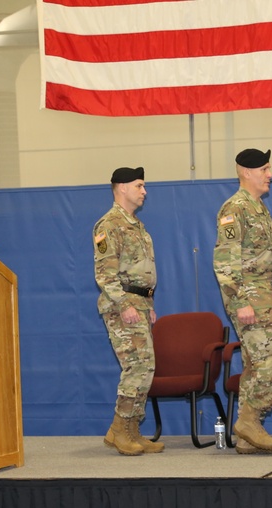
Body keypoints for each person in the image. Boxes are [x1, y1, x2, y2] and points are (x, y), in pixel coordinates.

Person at [213, 148, 272, 454]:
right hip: (247, 297)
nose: (270, 175)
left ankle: (246, 438)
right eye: (265, 170)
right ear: (246, 172)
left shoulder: (258, 208)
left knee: (255, 364)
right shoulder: (235, 208)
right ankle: (249, 419)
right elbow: (224, 262)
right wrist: (240, 300)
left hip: (262, 296)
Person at [93, 166, 164, 456]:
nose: (144, 191)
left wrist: (147, 305)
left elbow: (141, 273)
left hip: (139, 304)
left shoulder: (136, 225)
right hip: (121, 306)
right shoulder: (109, 224)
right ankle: (120, 429)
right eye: (139, 185)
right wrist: (124, 305)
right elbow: (105, 274)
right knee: (136, 367)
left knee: (145, 368)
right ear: (121, 188)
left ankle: (130, 429)